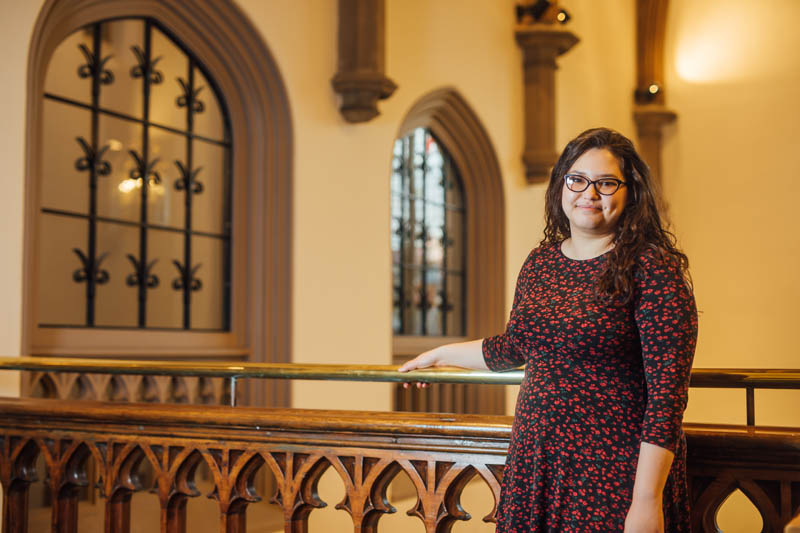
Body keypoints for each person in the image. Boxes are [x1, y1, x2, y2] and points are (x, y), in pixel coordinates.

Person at [399, 127, 697, 532]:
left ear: (631, 193)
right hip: (538, 462)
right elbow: (514, 347)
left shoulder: (652, 268)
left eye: (606, 183)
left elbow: (666, 398)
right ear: (561, 185)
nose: (589, 193)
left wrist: (646, 501)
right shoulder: (540, 263)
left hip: (613, 472)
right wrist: (440, 354)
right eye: (577, 179)